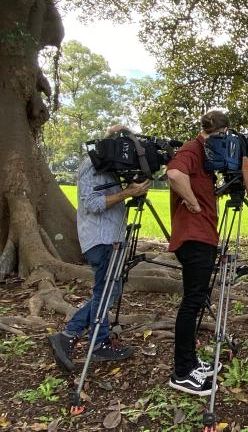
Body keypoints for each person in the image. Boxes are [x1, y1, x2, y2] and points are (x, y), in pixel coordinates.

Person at [48, 125, 151, 373]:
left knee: (107, 292)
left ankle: (91, 340)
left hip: (111, 239)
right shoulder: (92, 165)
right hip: (101, 239)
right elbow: (93, 204)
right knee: (106, 293)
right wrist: (129, 192)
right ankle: (75, 337)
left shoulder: (107, 165)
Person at [166, 110, 229, 396]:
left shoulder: (206, 155)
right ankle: (182, 372)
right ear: (220, 132)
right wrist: (192, 203)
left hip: (202, 237)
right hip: (194, 238)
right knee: (191, 303)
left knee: (196, 299)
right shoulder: (192, 148)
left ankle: (190, 361)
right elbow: (175, 173)